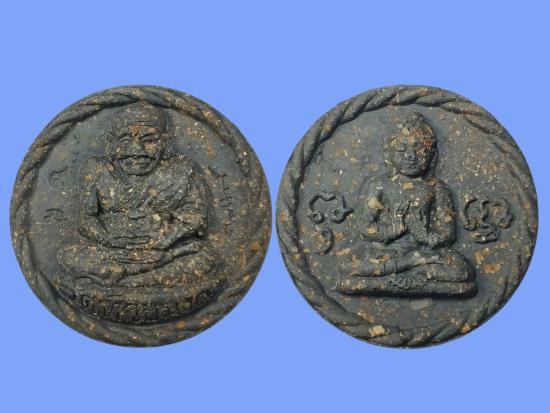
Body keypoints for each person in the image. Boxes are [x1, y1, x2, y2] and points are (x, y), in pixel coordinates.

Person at [59, 102, 218, 288]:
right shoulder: (97, 169)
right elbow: (86, 218)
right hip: (112, 250)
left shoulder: (181, 170)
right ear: (111, 143)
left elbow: (196, 217)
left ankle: (125, 280)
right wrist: (108, 240)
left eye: (149, 140)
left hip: (163, 249)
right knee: (69, 255)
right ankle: (135, 278)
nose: (136, 151)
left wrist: (165, 239)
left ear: (165, 143)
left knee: (204, 258)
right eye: (125, 140)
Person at [338, 112, 476, 297]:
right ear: (389, 154)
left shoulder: (436, 188)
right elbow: (365, 227)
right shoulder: (379, 184)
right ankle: (412, 265)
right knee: (348, 265)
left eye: (419, 150)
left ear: (432, 155)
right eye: (402, 149)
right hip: (385, 252)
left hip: (425, 252)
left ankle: (397, 276)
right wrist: (393, 230)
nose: (411, 156)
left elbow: (448, 234)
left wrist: (425, 236)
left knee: (461, 270)